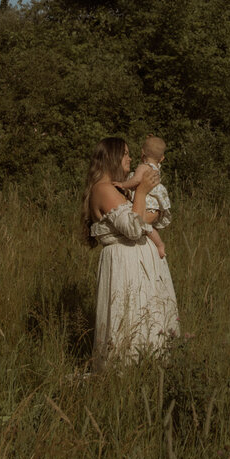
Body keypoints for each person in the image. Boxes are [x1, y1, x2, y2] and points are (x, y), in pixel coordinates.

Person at [83, 136, 179, 369]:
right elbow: (135, 227)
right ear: (112, 157)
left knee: (150, 319)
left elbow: (146, 217)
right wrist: (143, 192)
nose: (131, 157)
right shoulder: (103, 189)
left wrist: (146, 207)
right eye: (125, 153)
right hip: (125, 263)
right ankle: (125, 374)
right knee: (128, 319)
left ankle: (151, 369)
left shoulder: (120, 189)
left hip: (141, 261)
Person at [114, 134, 171, 259]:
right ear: (161, 159)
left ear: (142, 153)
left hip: (147, 202)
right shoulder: (156, 168)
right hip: (156, 204)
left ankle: (159, 245)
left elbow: (136, 180)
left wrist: (123, 185)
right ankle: (160, 244)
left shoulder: (143, 167)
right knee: (148, 228)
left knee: (142, 225)